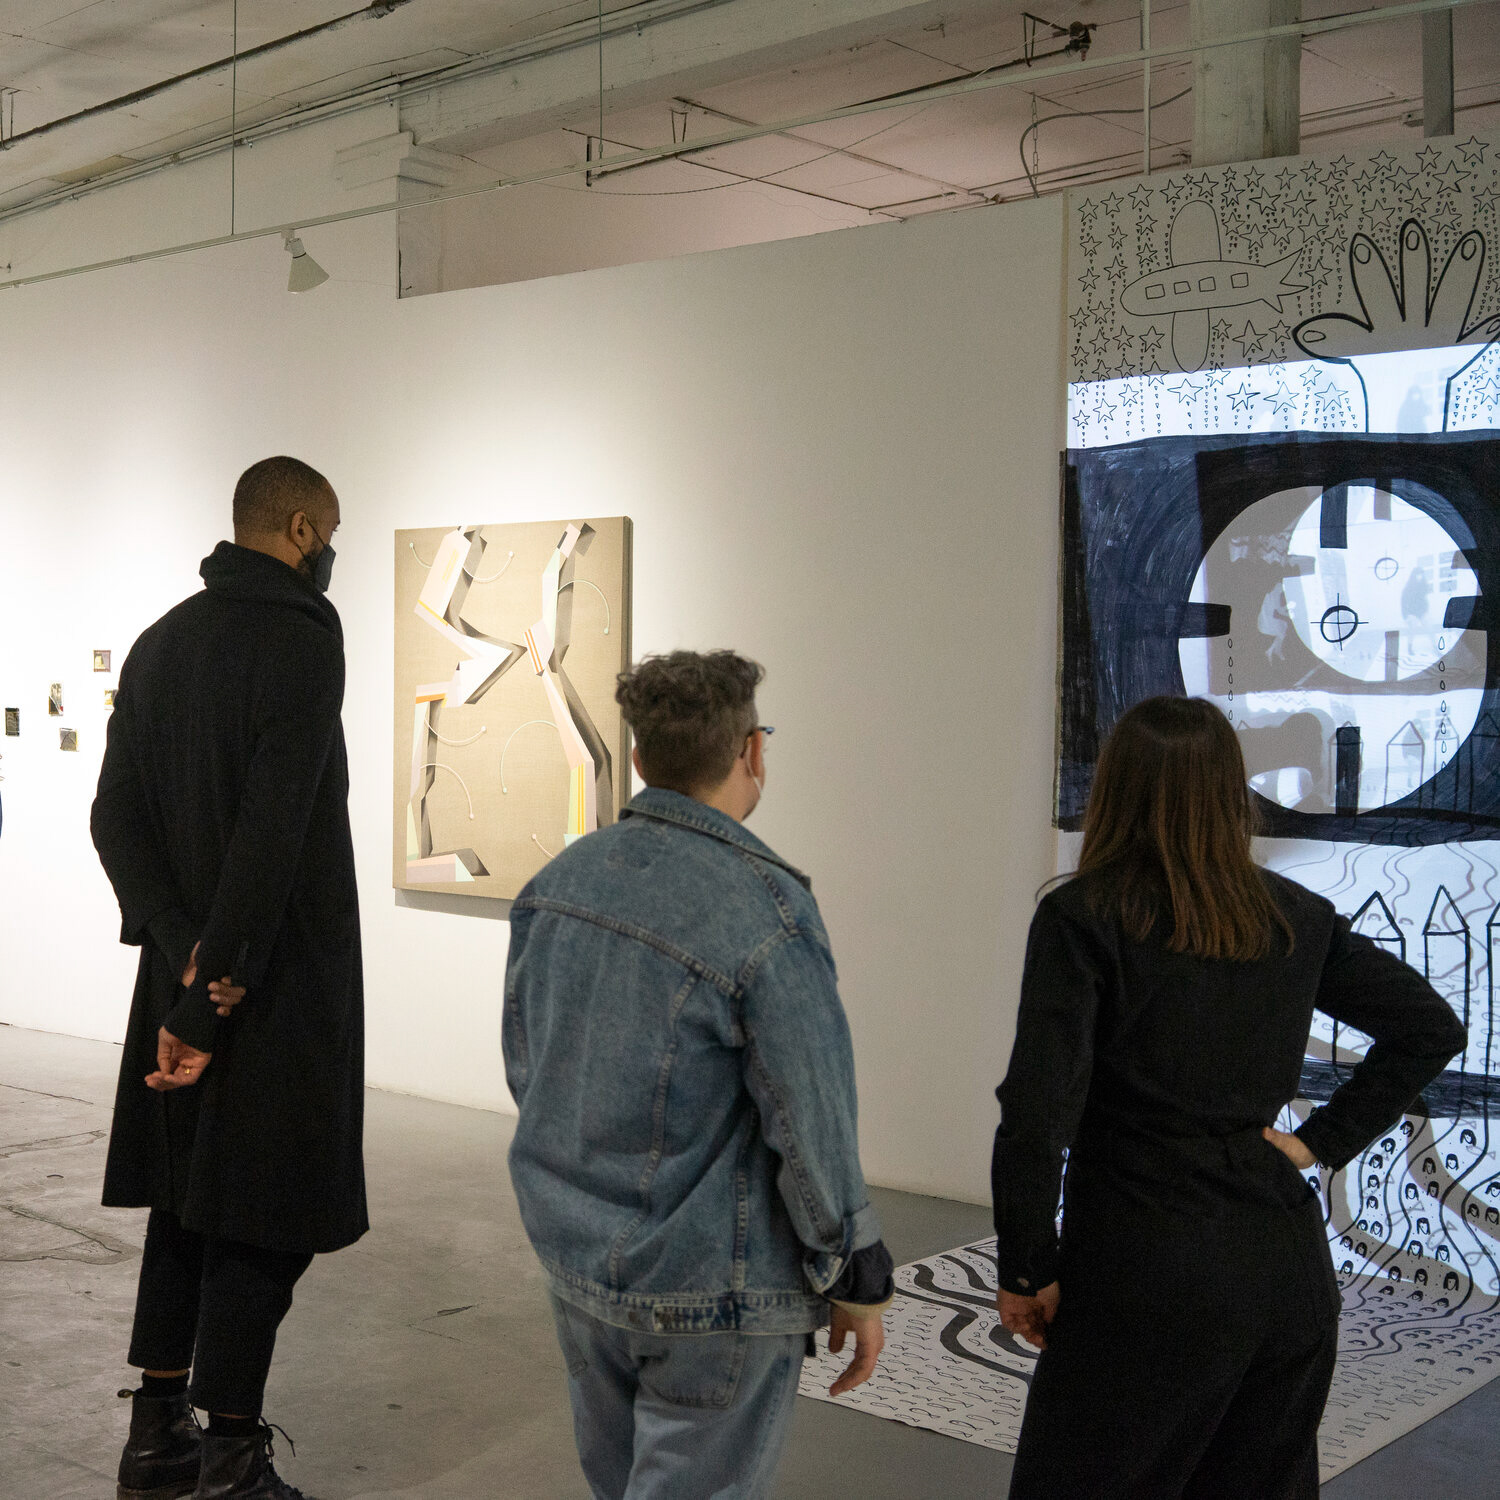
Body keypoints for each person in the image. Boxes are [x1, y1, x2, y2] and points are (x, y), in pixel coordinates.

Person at [992, 696, 1466, 1499]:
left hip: (1145, 1269)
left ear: (1117, 789)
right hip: (1284, 1270)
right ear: (1228, 791)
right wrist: (1317, 1142)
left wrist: (1026, 1266)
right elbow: (1429, 1026)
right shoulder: (1293, 916)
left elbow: (1038, 1115)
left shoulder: (1083, 917)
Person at [503, 649, 892, 1500]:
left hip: (580, 1267)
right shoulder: (769, 910)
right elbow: (810, 1114)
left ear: (642, 759)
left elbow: (531, 1071)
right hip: (714, 1288)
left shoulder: (555, 885)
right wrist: (854, 1267)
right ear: (752, 751)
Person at [92, 456, 366, 1500]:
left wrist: (180, 947)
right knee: (263, 1217)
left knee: (185, 1202)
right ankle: (230, 1459)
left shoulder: (160, 642)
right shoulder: (303, 640)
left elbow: (112, 818)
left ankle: (157, 1437)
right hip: (267, 986)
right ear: (300, 530)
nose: (327, 555)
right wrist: (216, 991)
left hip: (180, 979)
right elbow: (273, 830)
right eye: (329, 535)